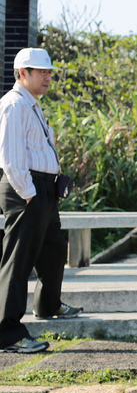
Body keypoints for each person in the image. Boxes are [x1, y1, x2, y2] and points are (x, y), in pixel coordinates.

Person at [0, 48, 83, 354]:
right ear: (22, 73)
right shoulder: (14, 105)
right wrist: (30, 193)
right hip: (27, 189)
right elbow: (11, 157)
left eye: (49, 71)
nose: (48, 76)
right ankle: (7, 334)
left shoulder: (31, 104)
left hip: (41, 188)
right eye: (41, 71)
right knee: (19, 259)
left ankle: (48, 305)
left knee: (53, 249)